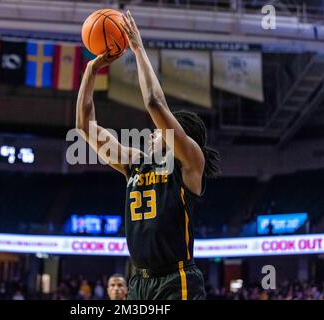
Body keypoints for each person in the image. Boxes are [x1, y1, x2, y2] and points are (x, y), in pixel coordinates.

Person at [76, 10, 219, 300]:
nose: (153, 133)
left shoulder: (190, 164)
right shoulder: (134, 164)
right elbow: (85, 127)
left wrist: (138, 49)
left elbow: (154, 102)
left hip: (177, 280)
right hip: (139, 283)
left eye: (158, 131)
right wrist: (91, 71)